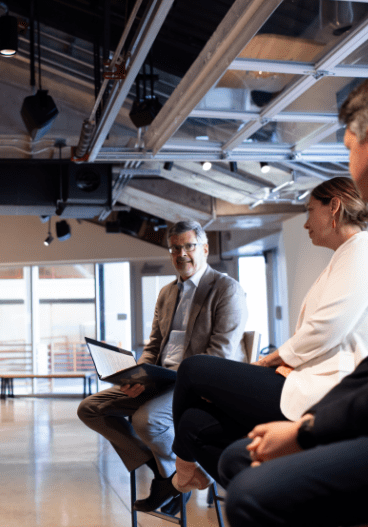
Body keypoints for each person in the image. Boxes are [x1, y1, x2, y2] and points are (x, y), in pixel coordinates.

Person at [217, 72, 368, 526]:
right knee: (238, 458)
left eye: (348, 149)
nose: (348, 163)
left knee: (251, 492)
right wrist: (303, 424)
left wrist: (308, 431)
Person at [169, 177, 368, 493]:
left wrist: (269, 360)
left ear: (334, 207)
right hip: (301, 378)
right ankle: (263, 494)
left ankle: (184, 470)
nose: (306, 223)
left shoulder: (364, 252)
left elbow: (325, 328)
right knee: (192, 426)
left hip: (324, 390)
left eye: (311, 211)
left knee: (192, 369)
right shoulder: (347, 255)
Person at [77, 220, 247, 514]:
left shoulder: (226, 290)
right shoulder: (167, 293)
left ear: (204, 248)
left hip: (198, 384)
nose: (181, 254)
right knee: (90, 409)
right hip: (161, 381)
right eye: (175, 248)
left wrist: (177, 380)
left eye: (188, 246)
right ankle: (164, 474)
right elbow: (154, 345)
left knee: (146, 420)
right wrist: (138, 375)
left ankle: (180, 477)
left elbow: (218, 355)